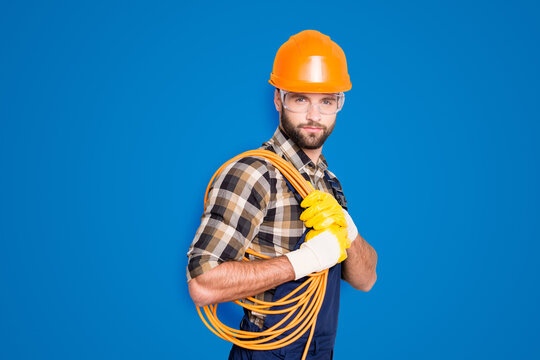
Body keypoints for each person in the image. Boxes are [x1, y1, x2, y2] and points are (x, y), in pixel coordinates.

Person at [187, 30, 378, 359]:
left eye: (326, 101)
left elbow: (366, 279)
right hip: (268, 350)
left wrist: (349, 231)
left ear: (338, 105)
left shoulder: (330, 184)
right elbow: (203, 284)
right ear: (278, 98)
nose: (314, 115)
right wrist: (304, 261)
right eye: (300, 98)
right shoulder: (254, 174)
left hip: (320, 351)